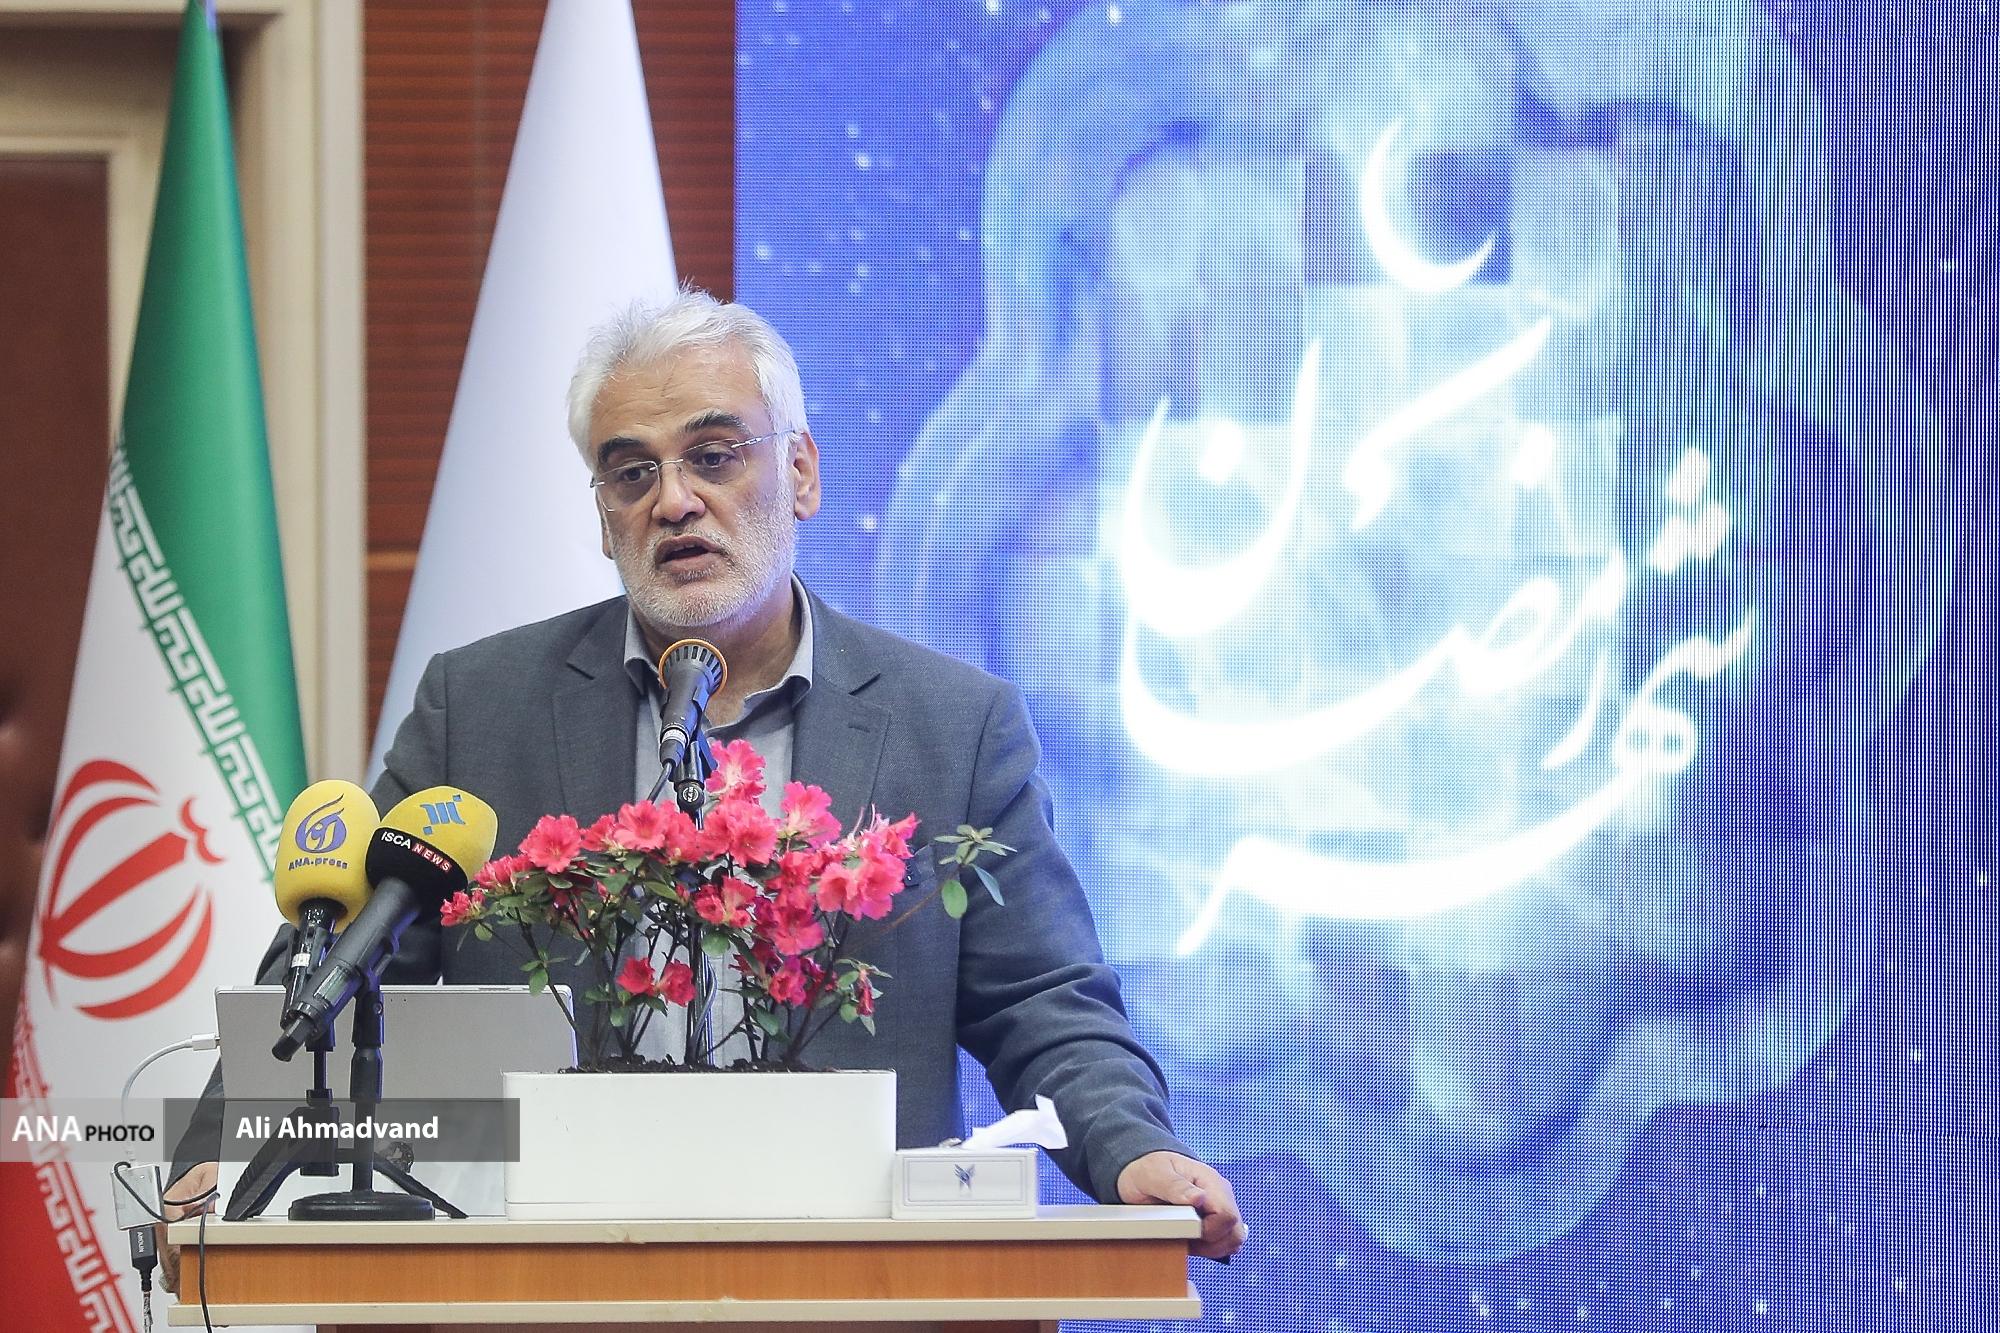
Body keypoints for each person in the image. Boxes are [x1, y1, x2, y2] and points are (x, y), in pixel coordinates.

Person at [160, 289, 1244, 1286]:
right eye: (631, 474)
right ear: (603, 516)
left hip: (859, 1284)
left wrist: (1131, 1145)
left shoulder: (951, 726)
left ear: (801, 473)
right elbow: (343, 962)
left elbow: (1041, 999)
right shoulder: (477, 709)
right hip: (540, 1279)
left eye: (714, 456)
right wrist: (222, 1146)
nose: (674, 501)